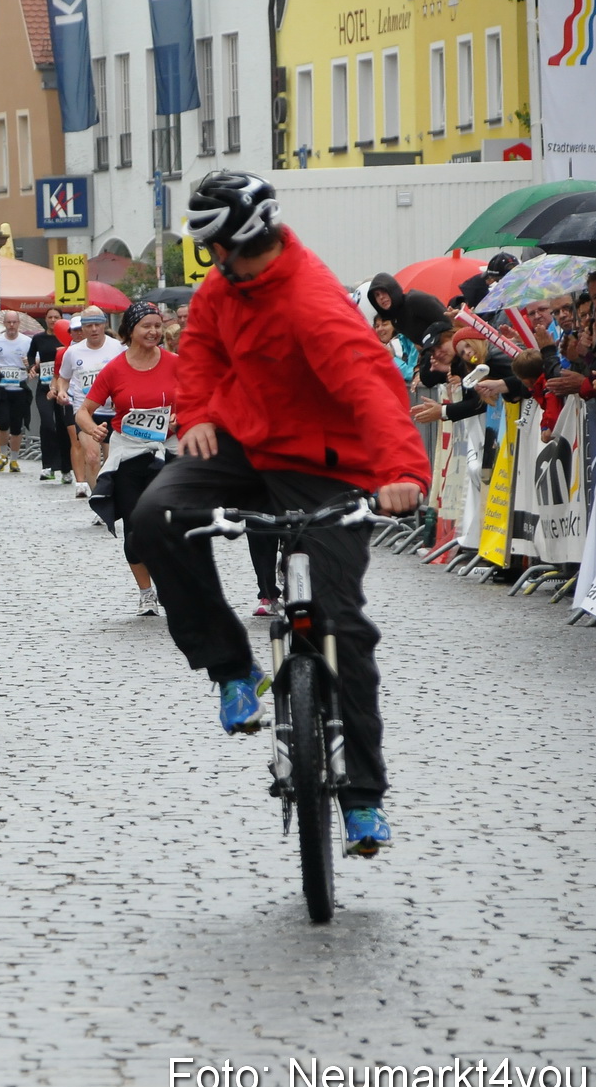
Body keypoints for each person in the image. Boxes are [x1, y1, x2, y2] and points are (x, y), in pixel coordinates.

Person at [130, 171, 427, 858]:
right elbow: (199, 352)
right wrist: (198, 415)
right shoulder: (221, 292)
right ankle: (232, 668)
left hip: (322, 465)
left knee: (340, 627)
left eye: (210, 250)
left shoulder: (312, 303)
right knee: (153, 515)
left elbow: (371, 385)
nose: (207, 265)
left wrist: (401, 474)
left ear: (231, 245)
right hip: (240, 442)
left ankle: (360, 797)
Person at [77, 300, 178, 616]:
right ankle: (146, 592)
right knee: (135, 529)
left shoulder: (176, 363)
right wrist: (93, 430)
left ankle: (171, 585)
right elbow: (83, 411)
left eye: (158, 325)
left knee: (169, 526)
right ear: (130, 330)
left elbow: (201, 401)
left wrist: (180, 419)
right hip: (129, 455)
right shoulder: (116, 368)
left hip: (169, 454)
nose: (153, 331)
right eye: (146, 326)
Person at [54, 306, 124, 501]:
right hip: (86, 412)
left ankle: (110, 495)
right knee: (92, 457)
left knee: (111, 461)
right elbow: (64, 378)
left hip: (112, 412)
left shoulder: (118, 347)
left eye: (97, 324)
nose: (93, 329)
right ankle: (99, 499)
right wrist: (61, 391)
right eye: (88, 325)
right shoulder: (73, 352)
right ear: (82, 329)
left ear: (105, 325)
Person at [0, 311, 34, 472]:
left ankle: (15, 460)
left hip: (19, 388)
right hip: (1, 389)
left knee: (17, 426)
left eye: (14, 322)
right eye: (9, 322)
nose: (11, 325)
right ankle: (3, 455)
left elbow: (36, 361)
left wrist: (30, 364)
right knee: (3, 423)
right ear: (4, 324)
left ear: (19, 324)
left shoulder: (27, 341)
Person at [30, 308, 70, 483]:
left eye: (56, 317)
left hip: (63, 388)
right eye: (50, 317)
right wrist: (32, 366)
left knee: (63, 426)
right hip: (44, 388)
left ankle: (66, 469)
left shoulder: (67, 337)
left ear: (62, 319)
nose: (53, 320)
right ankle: (48, 466)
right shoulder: (39, 338)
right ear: (45, 319)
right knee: (47, 424)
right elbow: (31, 354)